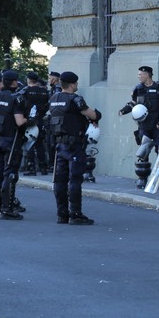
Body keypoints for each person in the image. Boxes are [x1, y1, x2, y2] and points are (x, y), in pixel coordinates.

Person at [48, 71, 102, 225]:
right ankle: (75, 214)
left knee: (59, 180)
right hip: (74, 145)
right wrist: (96, 116)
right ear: (72, 84)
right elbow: (92, 114)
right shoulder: (75, 99)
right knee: (75, 179)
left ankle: (62, 214)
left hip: (59, 145)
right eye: (76, 83)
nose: (77, 86)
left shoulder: (54, 98)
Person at [0, 71, 29, 220]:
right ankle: (6, 209)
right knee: (9, 175)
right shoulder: (15, 99)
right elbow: (19, 122)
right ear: (14, 83)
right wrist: (31, 119)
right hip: (11, 140)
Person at [118, 66, 159, 173]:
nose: (139, 77)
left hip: (157, 124)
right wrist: (124, 110)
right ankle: (143, 176)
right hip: (144, 124)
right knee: (143, 150)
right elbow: (133, 103)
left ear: (147, 74)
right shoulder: (138, 89)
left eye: (140, 74)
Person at [21, 71, 51, 175]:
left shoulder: (25, 91)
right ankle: (43, 167)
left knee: (30, 142)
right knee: (40, 144)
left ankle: (31, 167)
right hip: (41, 119)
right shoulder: (44, 92)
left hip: (29, 121)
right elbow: (48, 104)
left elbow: (20, 103)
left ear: (28, 80)